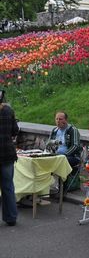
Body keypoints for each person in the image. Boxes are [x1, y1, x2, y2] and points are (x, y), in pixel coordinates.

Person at [0, 90, 19, 226]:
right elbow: (15, 131)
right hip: (7, 154)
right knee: (8, 187)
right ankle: (11, 218)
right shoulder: (8, 110)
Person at [49, 111, 82, 190]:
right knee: (44, 161)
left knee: (61, 161)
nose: (58, 121)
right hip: (57, 156)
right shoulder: (54, 130)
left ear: (66, 120)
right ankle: (46, 186)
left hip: (72, 156)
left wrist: (64, 155)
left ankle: (61, 189)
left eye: (60, 119)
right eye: (56, 119)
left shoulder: (72, 130)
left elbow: (75, 146)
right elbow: (49, 143)